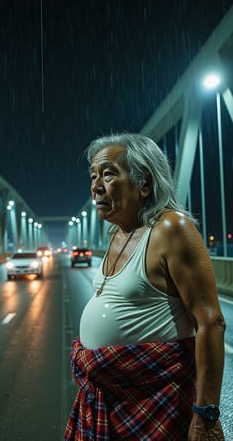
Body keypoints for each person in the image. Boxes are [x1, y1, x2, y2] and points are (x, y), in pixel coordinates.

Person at [64, 133, 226, 441]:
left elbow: (211, 323)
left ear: (145, 184)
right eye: (93, 176)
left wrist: (206, 413)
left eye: (109, 173)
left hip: (155, 399)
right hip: (107, 396)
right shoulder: (117, 233)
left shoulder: (171, 229)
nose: (96, 186)